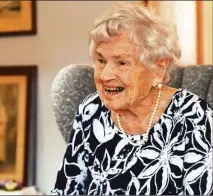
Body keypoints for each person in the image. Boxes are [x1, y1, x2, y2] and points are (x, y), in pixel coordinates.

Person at [51, 2, 213, 195]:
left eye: (122, 63)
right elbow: (67, 189)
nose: (105, 75)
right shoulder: (91, 110)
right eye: (101, 61)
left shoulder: (195, 117)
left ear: (159, 68)